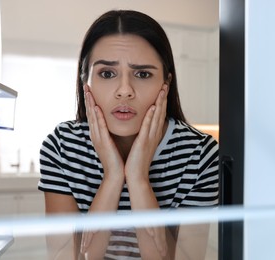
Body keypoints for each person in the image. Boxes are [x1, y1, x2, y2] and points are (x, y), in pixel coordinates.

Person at [38, 9, 219, 260]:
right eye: (107, 73)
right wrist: (113, 176)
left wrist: (138, 178)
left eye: (143, 74)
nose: (125, 91)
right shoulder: (62, 146)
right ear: (85, 82)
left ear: (165, 83)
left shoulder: (200, 154)